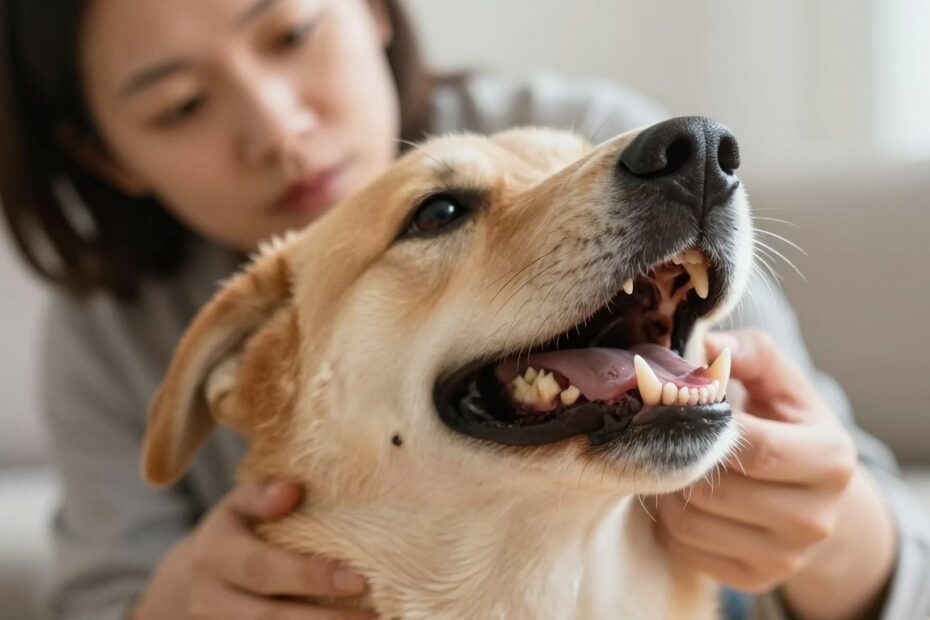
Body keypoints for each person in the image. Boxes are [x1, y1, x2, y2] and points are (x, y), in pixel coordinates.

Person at [0, 1, 927, 619]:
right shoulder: (114, 324)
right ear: (106, 150)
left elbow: (885, 540)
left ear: (369, 10)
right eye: (182, 104)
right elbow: (104, 596)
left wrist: (834, 531)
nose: (277, 128)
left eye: (289, 34)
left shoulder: (602, 133)